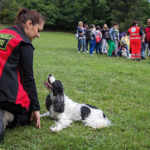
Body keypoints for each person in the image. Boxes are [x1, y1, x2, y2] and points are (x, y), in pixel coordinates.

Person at [0, 8, 45, 142]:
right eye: (39, 30)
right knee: (30, 111)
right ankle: (6, 115)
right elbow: (28, 79)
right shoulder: (24, 43)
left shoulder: (2, 32)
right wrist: (36, 107)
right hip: (4, 96)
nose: (38, 35)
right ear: (29, 24)